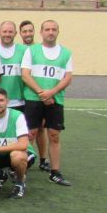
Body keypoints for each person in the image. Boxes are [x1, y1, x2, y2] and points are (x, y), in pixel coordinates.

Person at [21, 19, 73, 186]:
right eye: (47, 29)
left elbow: (68, 77)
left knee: (54, 135)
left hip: (55, 100)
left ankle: (55, 172)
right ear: (41, 32)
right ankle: (22, 171)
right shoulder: (32, 51)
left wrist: (52, 92)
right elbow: (25, 75)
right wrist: (42, 93)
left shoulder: (66, 53)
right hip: (33, 99)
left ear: (58, 32)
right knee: (30, 135)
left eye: (54, 29)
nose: (50, 32)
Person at [0, 88, 34, 199]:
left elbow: (23, 145)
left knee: (17, 156)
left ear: (7, 102)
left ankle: (20, 183)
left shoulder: (17, 116)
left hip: (19, 154)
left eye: (1, 100)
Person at [20, 18, 50, 171]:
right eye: (24, 31)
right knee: (28, 130)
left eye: (30, 31)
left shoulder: (40, 50)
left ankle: (43, 159)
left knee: (41, 128)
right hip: (21, 96)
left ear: (35, 32)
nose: (28, 34)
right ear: (20, 34)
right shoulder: (18, 50)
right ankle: (26, 156)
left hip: (36, 96)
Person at [0, 21, 27, 111]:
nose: (7, 34)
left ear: (16, 33)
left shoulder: (24, 50)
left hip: (18, 102)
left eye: (10, 32)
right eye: (5, 32)